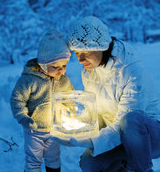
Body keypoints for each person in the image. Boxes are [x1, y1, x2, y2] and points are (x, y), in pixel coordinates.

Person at [52, 16, 160, 172]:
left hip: (149, 136)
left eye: (85, 52)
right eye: (77, 53)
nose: (80, 59)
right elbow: (99, 114)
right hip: (121, 136)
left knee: (131, 120)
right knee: (89, 164)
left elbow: (125, 124)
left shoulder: (131, 70)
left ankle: (141, 169)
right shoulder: (89, 71)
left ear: (101, 46)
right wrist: (76, 127)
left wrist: (89, 140)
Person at [10, 29, 74, 172]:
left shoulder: (63, 81)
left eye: (64, 66)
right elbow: (17, 99)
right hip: (34, 130)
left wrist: (72, 109)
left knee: (54, 158)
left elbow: (69, 97)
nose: (61, 71)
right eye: (55, 67)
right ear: (43, 64)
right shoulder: (29, 80)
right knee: (33, 160)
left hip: (54, 130)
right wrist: (22, 116)